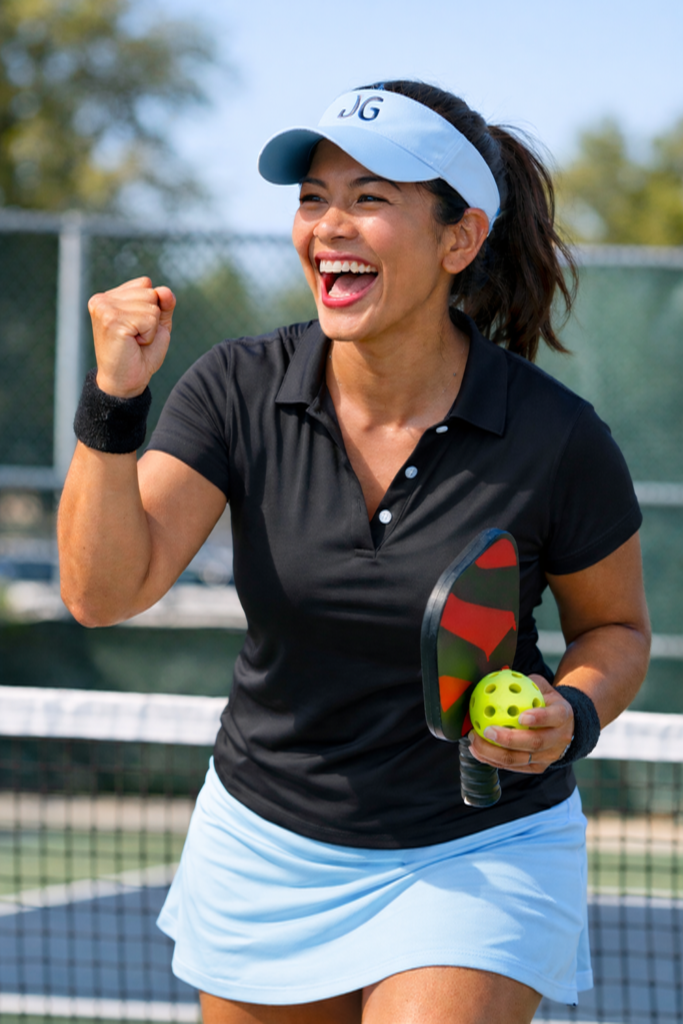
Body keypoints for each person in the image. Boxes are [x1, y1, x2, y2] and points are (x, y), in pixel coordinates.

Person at [58, 81, 651, 1024]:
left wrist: (569, 713)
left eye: (370, 198)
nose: (329, 225)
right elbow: (102, 593)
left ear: (459, 239)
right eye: (312, 198)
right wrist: (113, 400)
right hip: (269, 837)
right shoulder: (233, 389)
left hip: (477, 844)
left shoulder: (557, 438)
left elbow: (615, 628)